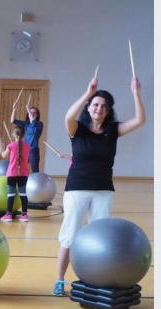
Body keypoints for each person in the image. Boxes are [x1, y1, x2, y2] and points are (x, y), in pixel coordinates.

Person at [53, 76, 145, 296]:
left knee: (101, 237)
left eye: (104, 106)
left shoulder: (113, 130)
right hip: (77, 189)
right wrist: (88, 92)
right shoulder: (77, 129)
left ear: (108, 110)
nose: (99, 108)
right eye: (95, 104)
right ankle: (59, 280)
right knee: (70, 235)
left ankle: (96, 278)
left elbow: (140, 120)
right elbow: (68, 115)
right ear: (89, 107)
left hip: (103, 190)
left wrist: (136, 93)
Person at [0, 125, 31, 222]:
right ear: (23, 135)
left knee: (11, 194)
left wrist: (3, 150)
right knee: (23, 194)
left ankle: (8, 215)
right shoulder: (27, 146)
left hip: (12, 174)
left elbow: (3, 156)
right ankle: (24, 215)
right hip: (23, 174)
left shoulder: (10, 146)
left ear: (14, 134)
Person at [11, 102, 45, 173]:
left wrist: (28, 109)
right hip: (24, 150)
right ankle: (24, 183)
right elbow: (12, 120)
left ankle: (36, 183)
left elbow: (33, 122)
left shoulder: (39, 124)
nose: (32, 114)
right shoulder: (26, 123)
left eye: (34, 113)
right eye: (31, 112)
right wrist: (14, 109)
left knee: (35, 170)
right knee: (22, 169)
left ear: (37, 114)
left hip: (33, 151)